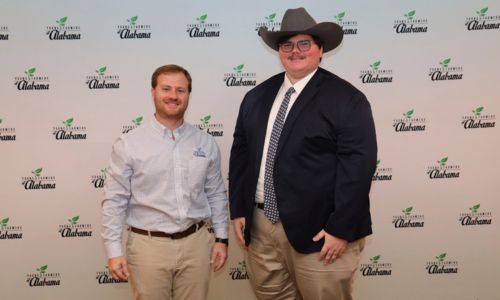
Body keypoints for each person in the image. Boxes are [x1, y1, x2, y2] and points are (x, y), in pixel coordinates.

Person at [229, 8, 377, 300]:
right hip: (260, 230)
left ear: (320, 50)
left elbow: (358, 167)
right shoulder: (256, 97)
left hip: (321, 233)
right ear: (279, 52)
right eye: (287, 45)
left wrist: (340, 228)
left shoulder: (347, 99)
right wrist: (238, 209)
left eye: (304, 44)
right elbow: (241, 155)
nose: (295, 51)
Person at [101, 64, 229, 300]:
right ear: (153, 93)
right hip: (149, 247)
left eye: (180, 90)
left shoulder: (205, 142)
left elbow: (216, 194)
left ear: (188, 94)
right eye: (166, 89)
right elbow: (114, 201)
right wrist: (114, 250)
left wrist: (221, 238)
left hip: (197, 245)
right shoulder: (129, 143)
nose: (173, 96)